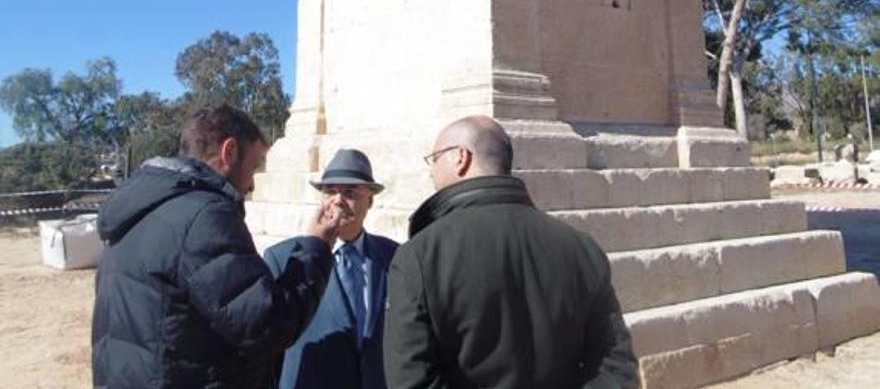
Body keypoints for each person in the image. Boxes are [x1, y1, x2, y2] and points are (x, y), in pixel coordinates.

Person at [92, 104, 344, 389]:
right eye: (254, 165)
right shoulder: (203, 216)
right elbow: (266, 325)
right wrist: (317, 247)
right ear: (229, 152)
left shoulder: (140, 212)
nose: (251, 184)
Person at [383, 116, 639, 389]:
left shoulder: (419, 256)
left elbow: (410, 380)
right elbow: (615, 365)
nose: (431, 171)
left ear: (461, 157)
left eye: (434, 159)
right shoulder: (581, 247)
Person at [264, 149, 398, 389]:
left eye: (350, 192)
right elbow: (267, 347)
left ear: (370, 199)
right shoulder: (283, 259)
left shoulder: (394, 257)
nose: (338, 200)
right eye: (330, 191)